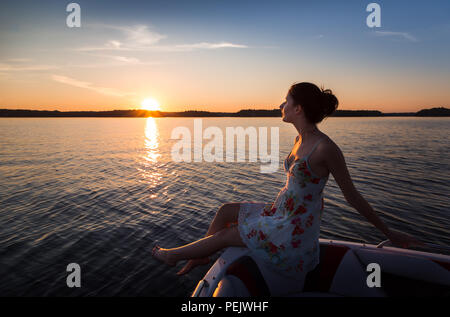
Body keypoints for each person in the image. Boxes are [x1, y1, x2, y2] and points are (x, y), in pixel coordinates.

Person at [152, 82, 422, 293]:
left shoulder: (325, 148)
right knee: (225, 211)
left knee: (227, 235)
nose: (281, 104)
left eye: (286, 100)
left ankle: (173, 256)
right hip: (281, 212)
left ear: (298, 109)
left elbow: (352, 197)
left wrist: (388, 231)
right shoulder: (298, 138)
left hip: (293, 229)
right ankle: (200, 257)